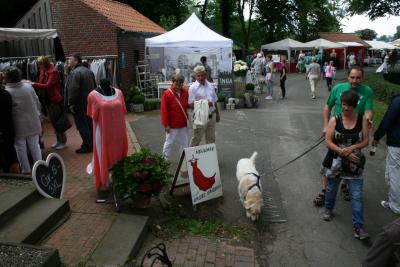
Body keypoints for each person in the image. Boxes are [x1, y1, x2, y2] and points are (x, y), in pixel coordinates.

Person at [313, 66, 373, 207]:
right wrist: (326, 125)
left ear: (362, 78)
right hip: (337, 130)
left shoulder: (367, 91)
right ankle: (324, 190)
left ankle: (344, 185)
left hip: (355, 132)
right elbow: (328, 106)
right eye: (352, 77)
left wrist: (368, 120)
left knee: (350, 160)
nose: (355, 80)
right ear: (348, 77)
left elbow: (369, 110)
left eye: (358, 78)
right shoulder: (338, 88)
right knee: (330, 161)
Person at [322, 90, 370, 240]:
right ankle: (328, 209)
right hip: (336, 160)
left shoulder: (362, 120)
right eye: (343, 105)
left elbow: (365, 141)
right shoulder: (334, 120)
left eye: (349, 106)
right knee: (331, 187)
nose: (346, 108)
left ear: (355, 106)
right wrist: (344, 151)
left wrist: (352, 149)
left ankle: (359, 227)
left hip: (354, 163)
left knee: (356, 195)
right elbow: (328, 142)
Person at [87, 78, 128, 197]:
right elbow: (92, 116)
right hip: (103, 133)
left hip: (119, 133)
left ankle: (118, 180)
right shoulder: (92, 95)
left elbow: (123, 110)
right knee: (103, 156)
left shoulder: (119, 93)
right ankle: (104, 182)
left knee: (119, 157)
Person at [3, 67, 42, 174]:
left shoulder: (7, 92)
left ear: (9, 78)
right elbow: (37, 102)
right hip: (33, 122)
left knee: (20, 147)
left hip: (18, 125)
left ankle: (26, 170)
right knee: (35, 145)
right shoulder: (28, 87)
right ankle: (40, 168)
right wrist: (38, 115)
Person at [32, 56, 70, 150]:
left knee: (58, 122)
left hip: (55, 100)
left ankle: (63, 142)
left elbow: (48, 85)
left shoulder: (53, 71)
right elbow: (41, 82)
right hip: (47, 100)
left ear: (44, 63)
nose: (39, 66)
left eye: (40, 64)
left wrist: (33, 84)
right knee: (53, 122)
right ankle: (58, 141)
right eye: (38, 64)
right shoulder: (42, 71)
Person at [372, 94, 400, 214]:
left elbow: (387, 120)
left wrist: (377, 136)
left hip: (397, 143)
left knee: (394, 173)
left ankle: (395, 205)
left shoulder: (398, 101)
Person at [66, 53, 96, 153]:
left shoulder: (75, 73)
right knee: (89, 123)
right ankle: (91, 143)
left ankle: (87, 146)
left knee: (82, 125)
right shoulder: (88, 71)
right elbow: (94, 87)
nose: (68, 61)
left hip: (79, 104)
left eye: (70, 59)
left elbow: (73, 89)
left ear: (76, 61)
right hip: (89, 102)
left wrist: (71, 103)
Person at [189, 65, 219, 146]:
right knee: (196, 138)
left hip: (211, 115)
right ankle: (191, 157)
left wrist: (217, 114)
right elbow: (190, 104)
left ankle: (210, 157)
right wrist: (204, 103)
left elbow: (214, 100)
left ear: (205, 75)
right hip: (200, 116)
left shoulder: (210, 85)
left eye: (202, 75)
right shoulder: (192, 88)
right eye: (198, 76)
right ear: (195, 76)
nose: (200, 77)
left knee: (211, 138)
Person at [160, 74, 189, 158]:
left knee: (184, 143)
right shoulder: (167, 94)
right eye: (176, 84)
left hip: (183, 123)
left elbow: (187, 105)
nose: (178, 86)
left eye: (180, 84)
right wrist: (166, 125)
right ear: (173, 82)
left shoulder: (185, 92)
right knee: (169, 142)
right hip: (172, 125)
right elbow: (164, 110)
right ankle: (164, 160)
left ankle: (183, 160)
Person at [0, 72, 20, 173]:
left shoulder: (6, 93)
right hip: (8, 127)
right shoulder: (6, 93)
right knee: (11, 153)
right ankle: (17, 176)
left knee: (7, 154)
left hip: (2, 129)